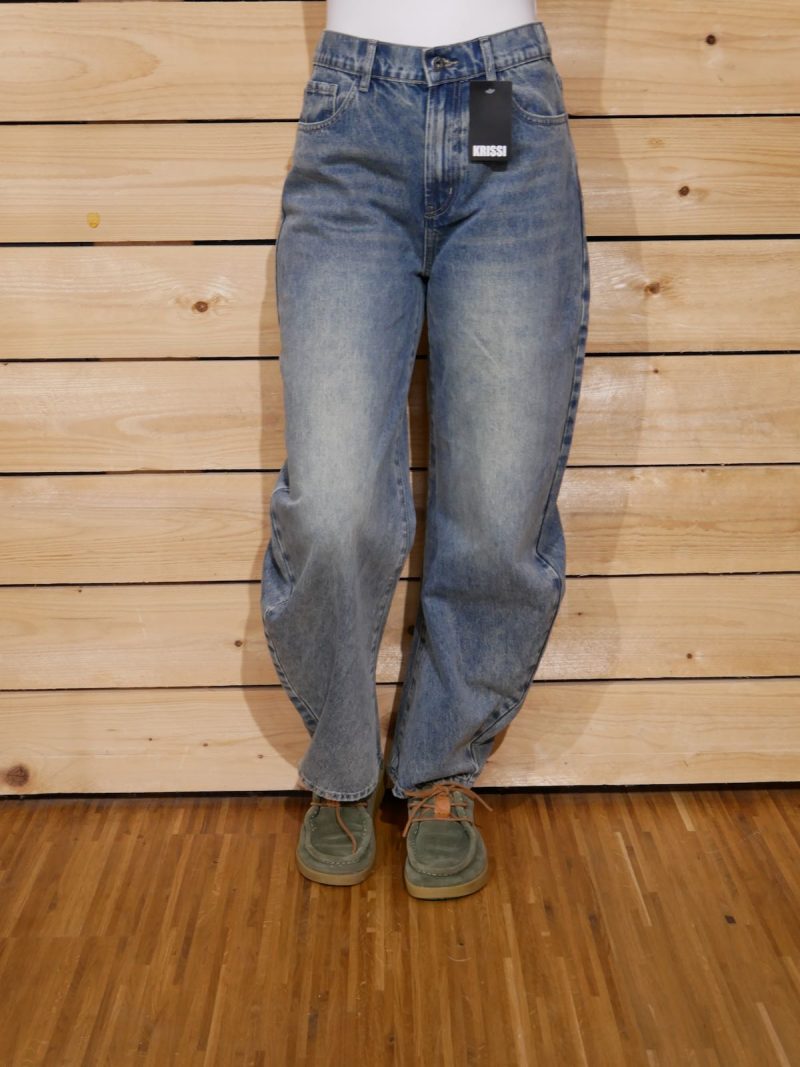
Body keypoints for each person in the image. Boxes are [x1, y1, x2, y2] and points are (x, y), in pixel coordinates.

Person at [260, 0, 590, 899]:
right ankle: (341, 761)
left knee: (497, 505)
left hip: (509, 116)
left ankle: (441, 767)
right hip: (353, 119)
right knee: (332, 509)